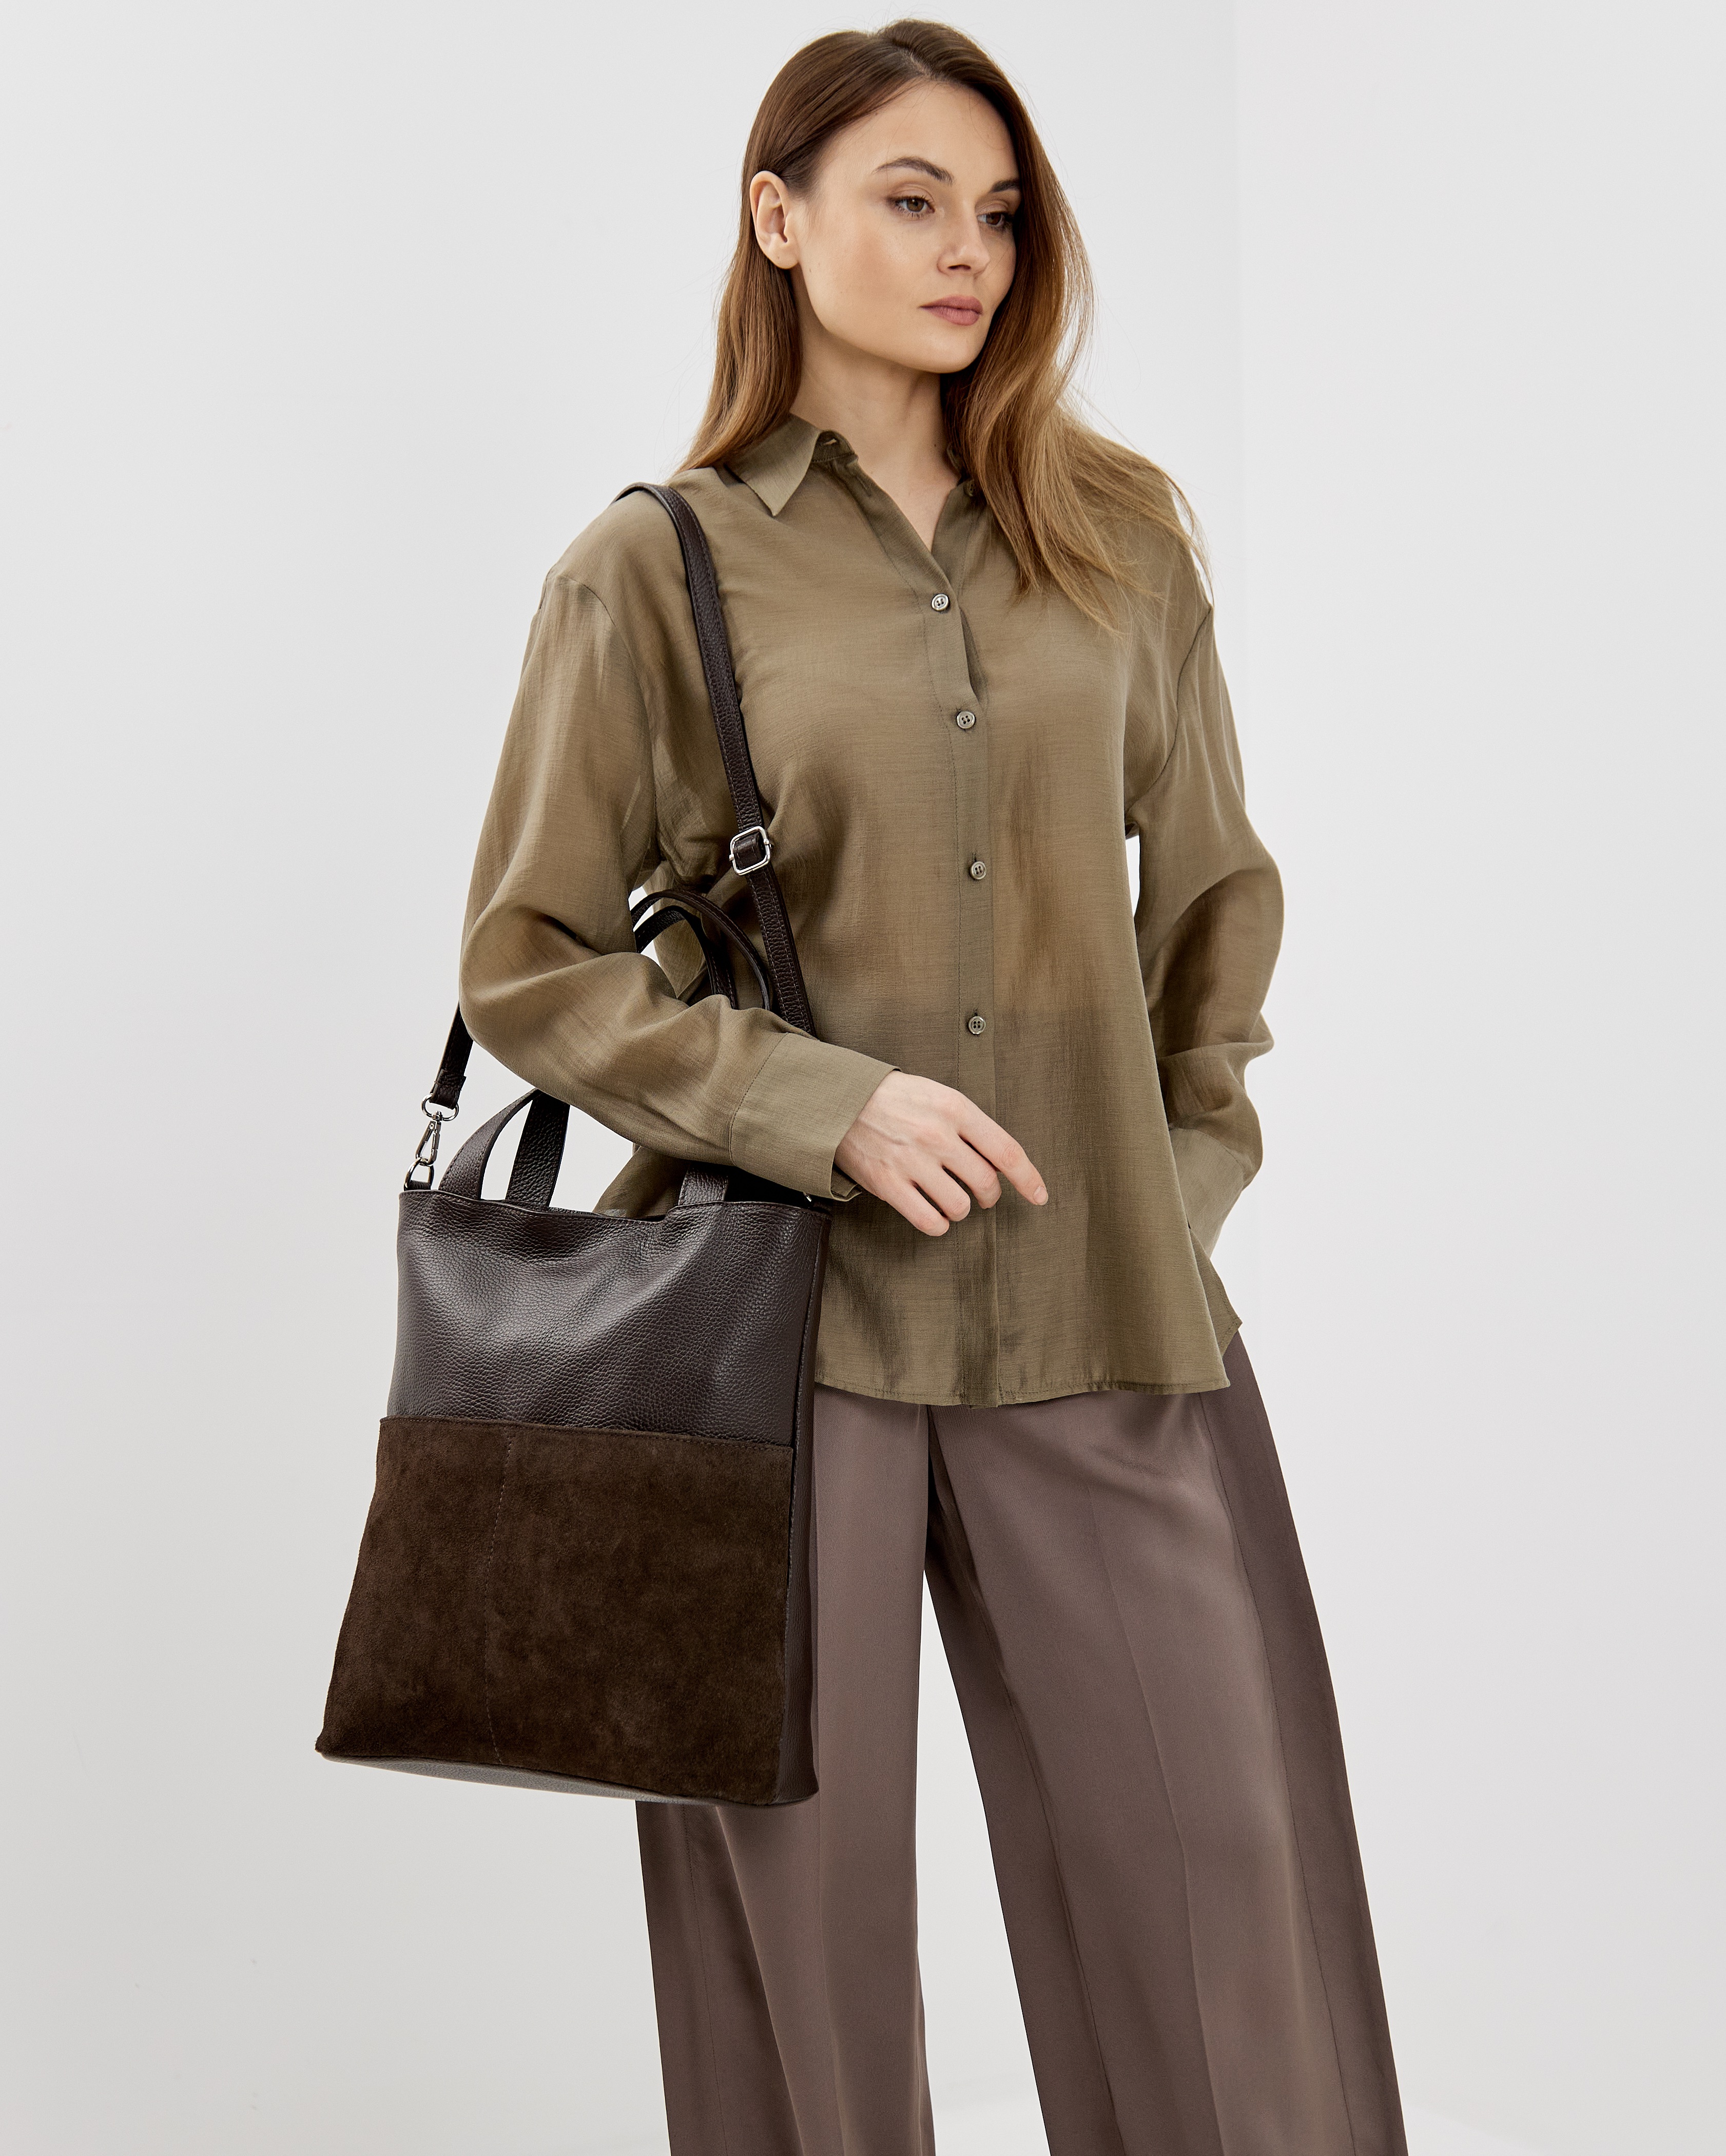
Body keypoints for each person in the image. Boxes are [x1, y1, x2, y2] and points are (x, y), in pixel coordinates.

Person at [458, 19, 1406, 2154]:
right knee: (798, 1956)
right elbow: (525, 959)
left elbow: (1217, 905)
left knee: (1218, 1906)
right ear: (778, 220)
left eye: (996, 211)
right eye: (909, 200)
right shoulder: (651, 567)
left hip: (1099, 1310)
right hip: (764, 1337)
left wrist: (1172, 1184)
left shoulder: (1119, 537)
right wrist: (825, 1107)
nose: (969, 248)